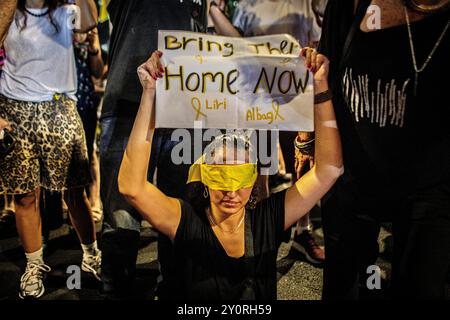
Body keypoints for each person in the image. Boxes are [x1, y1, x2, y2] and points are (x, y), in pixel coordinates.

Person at [117, 48, 343, 300]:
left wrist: (321, 88)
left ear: (254, 178)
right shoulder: (186, 221)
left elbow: (329, 169)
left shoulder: (266, 220)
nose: (232, 192)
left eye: (241, 177)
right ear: (203, 177)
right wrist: (149, 95)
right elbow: (131, 186)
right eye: (221, 175)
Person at [316, 0, 450, 299]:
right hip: (351, 176)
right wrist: (308, 142)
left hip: (431, 188)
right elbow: (323, 73)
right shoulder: (349, 5)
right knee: (344, 284)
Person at [100, 0, 207, 299]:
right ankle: (116, 290)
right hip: (129, 103)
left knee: (180, 207)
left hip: (185, 107)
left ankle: (174, 290)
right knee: (121, 212)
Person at [209, 0, 327, 264]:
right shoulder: (248, 5)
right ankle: (257, 240)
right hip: (258, 101)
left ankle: (302, 231)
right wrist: (214, 11)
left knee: (302, 164)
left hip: (295, 97)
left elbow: (317, 43)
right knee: (258, 173)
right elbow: (236, 44)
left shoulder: (304, 3)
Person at [0, 0, 101, 299]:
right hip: (15, 109)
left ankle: (91, 254)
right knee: (25, 194)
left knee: (75, 190)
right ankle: (34, 265)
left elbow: (89, 21)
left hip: (59, 108)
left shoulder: (64, 11)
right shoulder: (8, 11)